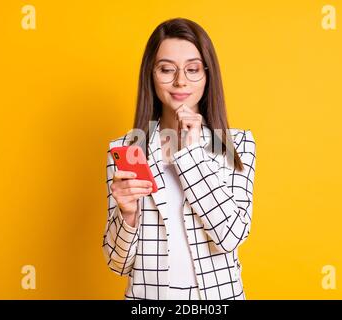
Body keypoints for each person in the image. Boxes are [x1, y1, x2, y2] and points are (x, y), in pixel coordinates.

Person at [102, 17, 256, 300]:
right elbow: (117, 263)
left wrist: (191, 153)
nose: (180, 81)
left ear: (208, 75)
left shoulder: (236, 146)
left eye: (193, 69)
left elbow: (230, 236)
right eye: (166, 69)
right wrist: (127, 214)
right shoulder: (126, 150)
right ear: (151, 73)